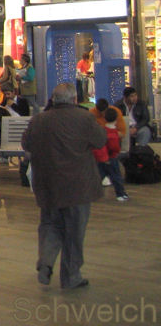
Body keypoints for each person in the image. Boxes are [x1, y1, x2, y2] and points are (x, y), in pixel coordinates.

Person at [22, 83, 106, 289]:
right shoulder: (84, 118)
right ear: (74, 99)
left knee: (50, 225)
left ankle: (45, 263)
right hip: (77, 186)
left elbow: (27, 143)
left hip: (48, 184)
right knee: (74, 232)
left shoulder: (39, 119)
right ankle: (71, 276)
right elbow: (100, 140)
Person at [93, 108, 129, 202]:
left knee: (99, 176)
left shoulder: (103, 130)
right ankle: (120, 194)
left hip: (102, 158)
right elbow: (114, 148)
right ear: (116, 119)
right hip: (112, 158)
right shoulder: (114, 133)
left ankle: (91, 193)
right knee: (116, 177)